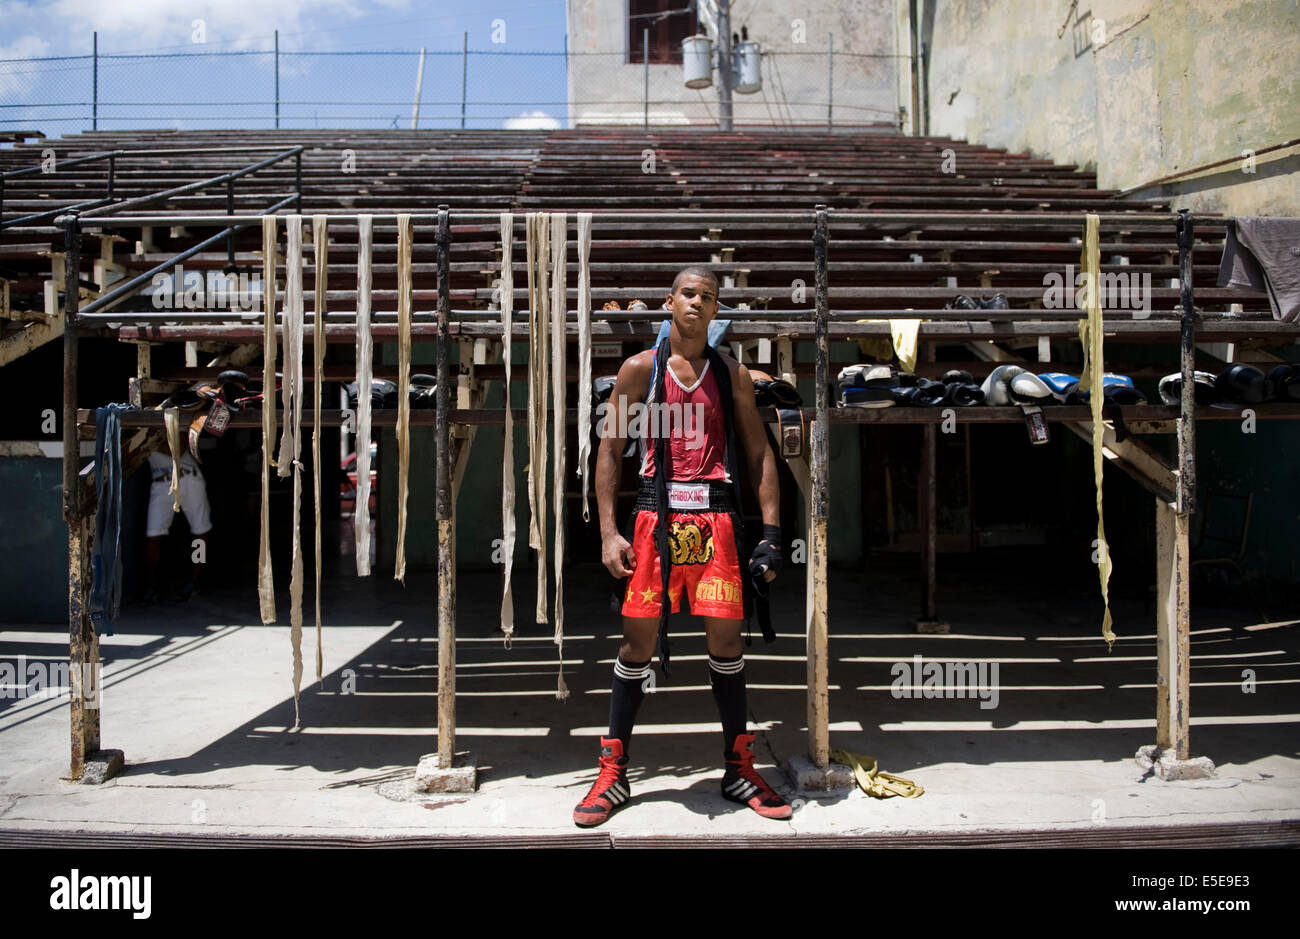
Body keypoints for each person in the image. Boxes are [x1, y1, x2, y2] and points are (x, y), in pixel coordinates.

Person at [575, 267, 789, 827]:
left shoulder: (732, 375)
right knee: (637, 645)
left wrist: (769, 535)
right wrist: (607, 530)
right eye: (689, 293)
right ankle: (613, 770)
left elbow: (761, 454)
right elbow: (609, 448)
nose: (697, 303)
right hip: (654, 515)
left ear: (717, 310)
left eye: (709, 296)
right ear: (670, 302)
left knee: (725, 644)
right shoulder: (638, 370)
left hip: (716, 518)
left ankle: (739, 767)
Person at [143, 448, 211, 603]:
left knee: (199, 531)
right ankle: (151, 585)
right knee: (153, 535)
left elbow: (177, 448)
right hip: (161, 482)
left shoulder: (169, 424)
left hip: (188, 478)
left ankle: (195, 580)